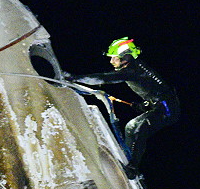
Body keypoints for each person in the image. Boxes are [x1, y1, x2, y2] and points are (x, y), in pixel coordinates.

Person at [65, 37, 180, 179]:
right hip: (162, 104)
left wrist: (74, 77)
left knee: (135, 127)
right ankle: (127, 157)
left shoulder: (132, 70)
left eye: (114, 58)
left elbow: (104, 78)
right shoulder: (135, 67)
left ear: (125, 58)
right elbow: (155, 89)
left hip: (167, 109)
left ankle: (133, 167)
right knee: (131, 128)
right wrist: (144, 105)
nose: (111, 61)